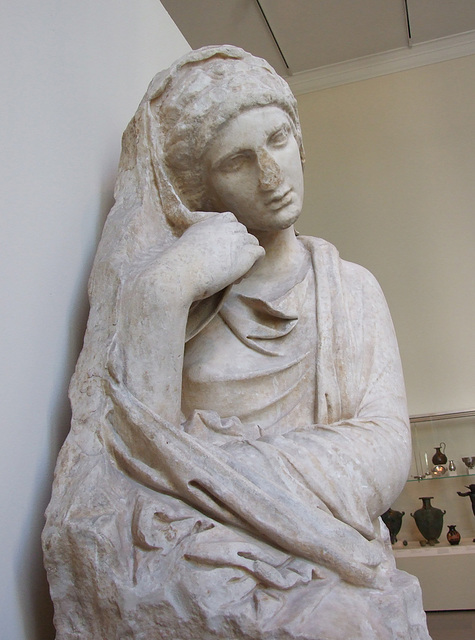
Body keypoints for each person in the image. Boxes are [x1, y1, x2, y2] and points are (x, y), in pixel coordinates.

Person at [43, 45, 431, 639]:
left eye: (277, 140)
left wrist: (221, 468)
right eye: (237, 162)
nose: (271, 177)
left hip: (308, 528)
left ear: (301, 142)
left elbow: (384, 445)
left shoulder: (349, 290)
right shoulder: (181, 291)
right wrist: (166, 291)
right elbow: (134, 458)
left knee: (343, 620)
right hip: (192, 541)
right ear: (203, 188)